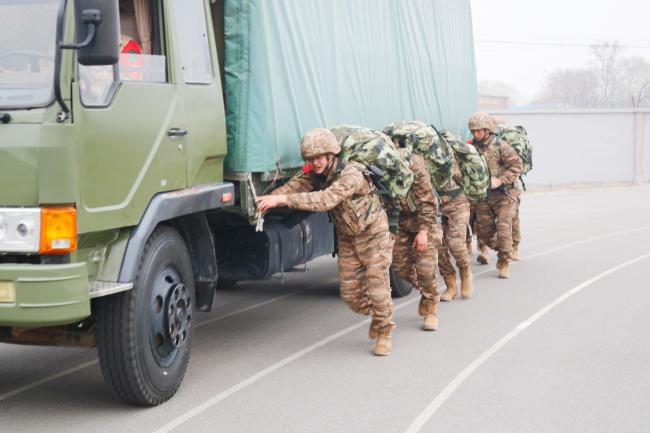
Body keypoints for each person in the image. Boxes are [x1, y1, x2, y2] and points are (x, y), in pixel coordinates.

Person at [256, 128, 395, 356]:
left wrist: (282, 200)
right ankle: (380, 314)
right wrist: (268, 198)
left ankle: (384, 331)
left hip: (373, 233)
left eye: (319, 157)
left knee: (377, 285)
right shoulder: (316, 173)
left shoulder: (352, 173)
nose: (315, 162)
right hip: (348, 236)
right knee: (350, 294)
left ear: (332, 154)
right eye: (311, 159)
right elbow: (295, 185)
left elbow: (325, 199)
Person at [387, 128, 443, 331]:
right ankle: (426, 291)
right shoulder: (378, 167)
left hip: (424, 220)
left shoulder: (413, 164)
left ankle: (430, 309)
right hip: (400, 222)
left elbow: (429, 202)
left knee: (426, 268)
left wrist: (423, 232)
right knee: (401, 268)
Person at [468, 113, 523, 278]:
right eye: (473, 131)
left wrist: (501, 180)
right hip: (484, 195)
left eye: (479, 131)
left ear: (488, 131)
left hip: (505, 194)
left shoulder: (501, 146)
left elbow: (516, 165)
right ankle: (502, 250)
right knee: (483, 231)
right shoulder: (472, 147)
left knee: (504, 228)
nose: (475, 134)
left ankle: (504, 262)